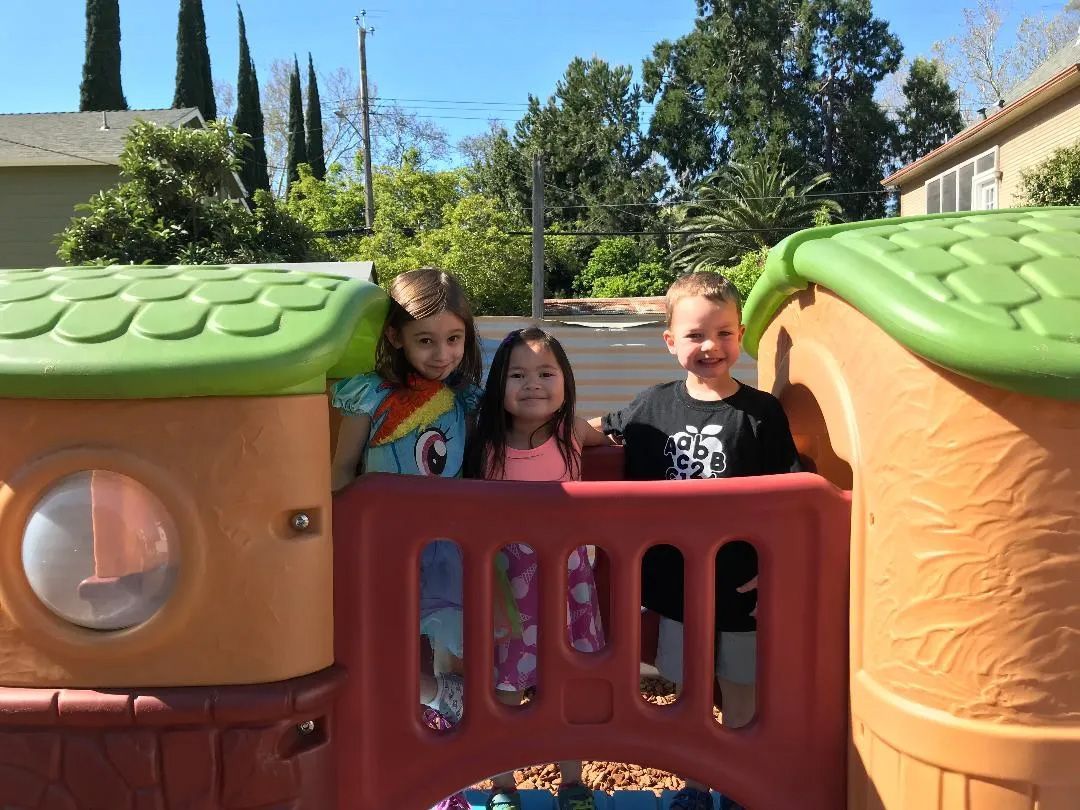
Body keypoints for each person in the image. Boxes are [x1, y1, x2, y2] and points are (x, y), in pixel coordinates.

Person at [590, 272, 802, 810]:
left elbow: (789, 495)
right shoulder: (650, 406)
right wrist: (527, 427)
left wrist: (777, 562)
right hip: (674, 587)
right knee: (686, 693)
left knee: (739, 692)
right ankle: (694, 785)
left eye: (724, 333)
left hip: (739, 588)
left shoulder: (761, 414)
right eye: (694, 335)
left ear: (741, 334)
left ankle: (737, 784)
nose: (711, 346)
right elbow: (591, 430)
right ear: (670, 341)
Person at [331, 267, 483, 810]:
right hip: (382, 547)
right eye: (426, 340)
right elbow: (342, 470)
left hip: (448, 547)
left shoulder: (466, 398)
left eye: (453, 339)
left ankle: (452, 783)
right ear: (395, 336)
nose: (442, 353)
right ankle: (397, 776)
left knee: (455, 665)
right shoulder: (368, 396)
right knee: (383, 659)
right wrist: (345, 541)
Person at [466, 328, 611, 810]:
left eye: (546, 373)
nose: (533, 384)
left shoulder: (572, 435)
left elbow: (604, 432)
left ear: (566, 381)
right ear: (497, 385)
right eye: (518, 374)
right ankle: (503, 785)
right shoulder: (484, 445)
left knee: (565, 682)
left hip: (568, 584)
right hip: (508, 584)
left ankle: (572, 781)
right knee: (504, 685)